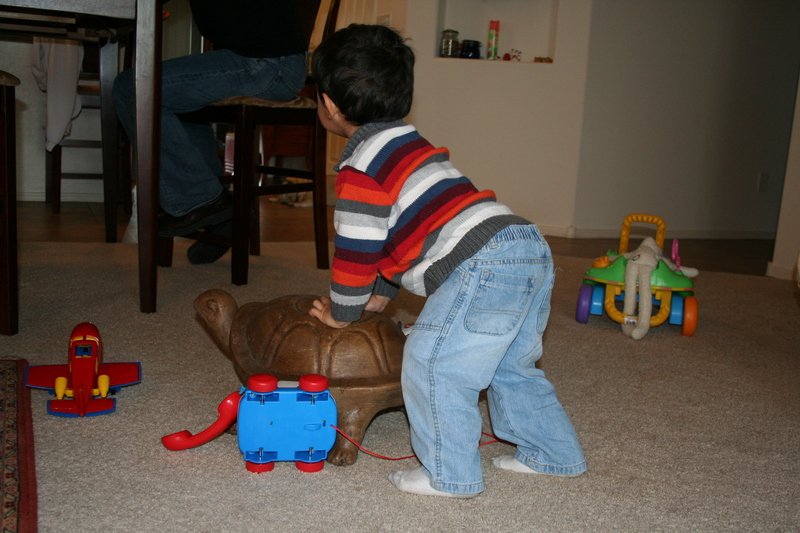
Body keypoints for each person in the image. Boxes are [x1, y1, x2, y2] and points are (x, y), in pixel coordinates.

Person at [307, 24, 587, 498]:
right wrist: (383, 296)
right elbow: (407, 229)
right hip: (524, 245)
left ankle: (449, 474)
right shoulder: (409, 145)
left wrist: (344, 311)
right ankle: (553, 453)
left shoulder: (360, 170)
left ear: (330, 105)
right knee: (511, 365)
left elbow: (357, 251)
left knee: (434, 362)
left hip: (482, 264)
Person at [113, 0, 309, 263]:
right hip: (272, 59)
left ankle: (202, 200)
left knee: (132, 89)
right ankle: (218, 210)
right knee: (174, 100)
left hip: (265, 63)